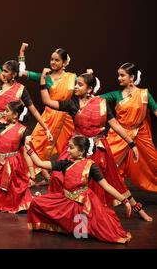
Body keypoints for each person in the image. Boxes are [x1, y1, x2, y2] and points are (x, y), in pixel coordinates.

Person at [40, 68, 152, 221]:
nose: (76, 87)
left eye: (80, 85)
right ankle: (64, 212)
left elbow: (115, 125)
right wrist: (42, 80)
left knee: (113, 181)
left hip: (98, 149)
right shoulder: (72, 104)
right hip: (77, 148)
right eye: (76, 84)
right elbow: (47, 101)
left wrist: (131, 144)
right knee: (58, 177)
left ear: (90, 89)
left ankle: (137, 208)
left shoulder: (101, 104)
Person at [25, 135, 132, 244]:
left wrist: (125, 200)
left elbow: (106, 186)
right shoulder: (65, 163)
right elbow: (40, 163)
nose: (68, 150)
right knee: (35, 203)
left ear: (81, 151)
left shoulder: (90, 166)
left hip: (82, 204)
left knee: (83, 233)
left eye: (71, 147)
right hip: (65, 200)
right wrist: (28, 147)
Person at [19, 47, 76, 185]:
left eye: (57, 60)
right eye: (52, 59)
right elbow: (21, 72)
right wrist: (22, 53)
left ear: (64, 62)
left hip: (66, 119)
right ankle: (43, 176)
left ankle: (57, 178)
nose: (53, 62)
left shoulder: (72, 77)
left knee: (64, 150)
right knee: (33, 144)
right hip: (49, 117)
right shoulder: (46, 77)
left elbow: (85, 87)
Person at [100, 63, 157, 194]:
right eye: (118, 75)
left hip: (139, 135)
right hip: (118, 135)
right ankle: (109, 194)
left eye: (122, 75)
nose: (119, 78)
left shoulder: (144, 94)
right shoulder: (116, 95)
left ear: (131, 77)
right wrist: (89, 82)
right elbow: (96, 99)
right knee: (106, 162)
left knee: (153, 164)